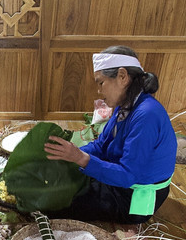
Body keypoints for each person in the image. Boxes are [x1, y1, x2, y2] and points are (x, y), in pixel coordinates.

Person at [42, 46, 176, 224]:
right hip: (122, 181)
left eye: (101, 83)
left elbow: (128, 176)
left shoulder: (147, 115)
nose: (99, 91)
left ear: (122, 76)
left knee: (50, 201)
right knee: (61, 177)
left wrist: (80, 158)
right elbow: (101, 146)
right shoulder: (126, 105)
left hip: (133, 198)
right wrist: (69, 156)